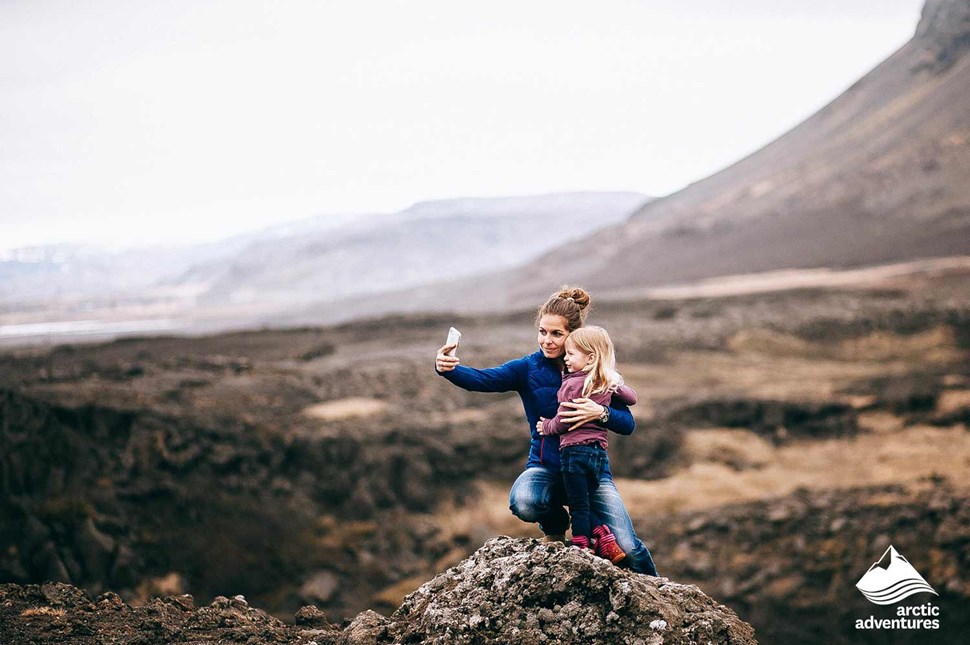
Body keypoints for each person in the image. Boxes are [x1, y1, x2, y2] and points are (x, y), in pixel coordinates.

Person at [434, 286, 659, 575]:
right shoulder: (528, 368)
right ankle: (556, 527)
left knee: (628, 547)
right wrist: (448, 369)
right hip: (546, 466)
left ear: (573, 335)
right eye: (542, 332)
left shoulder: (594, 371)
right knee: (524, 500)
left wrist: (601, 413)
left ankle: (662, 595)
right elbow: (482, 379)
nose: (547, 341)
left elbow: (627, 424)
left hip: (591, 473)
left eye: (556, 334)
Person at [537, 325, 634, 562]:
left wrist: (546, 427)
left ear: (590, 357)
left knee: (579, 505)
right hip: (597, 454)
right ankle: (601, 534)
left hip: (573, 453)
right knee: (587, 500)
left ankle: (583, 546)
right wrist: (613, 382)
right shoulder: (604, 381)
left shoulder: (571, 385)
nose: (566, 359)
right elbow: (632, 398)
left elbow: (563, 420)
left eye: (570, 354)